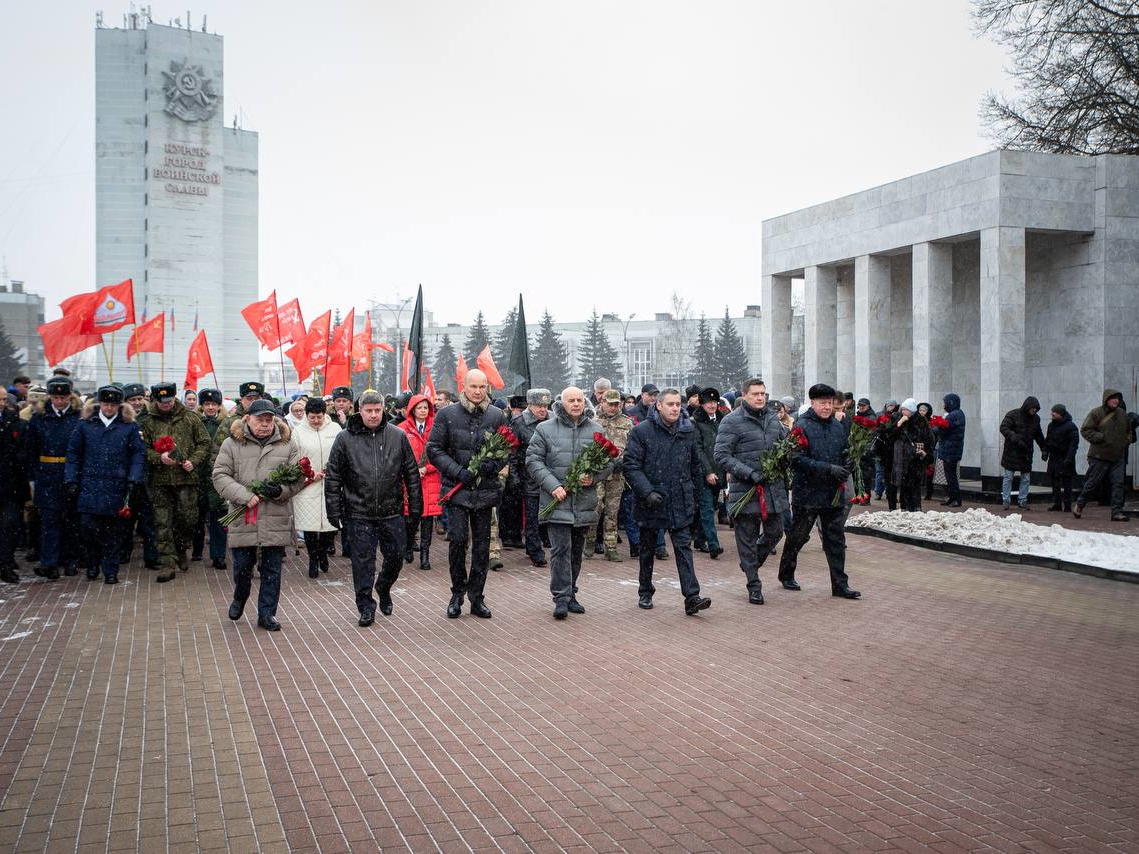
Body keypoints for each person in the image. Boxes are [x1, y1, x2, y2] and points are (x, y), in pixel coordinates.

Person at [325, 391, 422, 625]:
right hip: (358, 511)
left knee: (397, 556)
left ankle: (384, 585)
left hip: (392, 510)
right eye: (368, 411)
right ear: (360, 410)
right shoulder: (345, 438)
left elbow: (411, 473)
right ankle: (365, 605)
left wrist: (416, 506)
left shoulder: (397, 436)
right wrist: (333, 509)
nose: (373, 415)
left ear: (383, 409)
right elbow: (334, 477)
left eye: (377, 410)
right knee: (362, 562)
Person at [213, 399, 305, 631]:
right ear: (247, 419)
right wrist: (244, 496)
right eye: (259, 420)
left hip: (275, 515)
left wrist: (281, 490)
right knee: (243, 568)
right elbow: (220, 475)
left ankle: (267, 615)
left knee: (272, 569)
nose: (264, 425)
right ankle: (240, 596)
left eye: (268, 420)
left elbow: (297, 478)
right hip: (244, 515)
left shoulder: (287, 445)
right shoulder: (231, 444)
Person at [622, 388, 712, 616]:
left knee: (683, 547)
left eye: (678, 404)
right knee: (648, 549)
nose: (675, 408)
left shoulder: (686, 430)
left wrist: (695, 495)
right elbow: (631, 465)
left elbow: (694, 465)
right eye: (670, 404)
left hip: (680, 498)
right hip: (651, 500)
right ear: (659, 405)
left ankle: (692, 597)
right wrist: (647, 492)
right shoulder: (642, 431)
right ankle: (645, 591)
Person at [426, 369, 507, 619]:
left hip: (484, 492)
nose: (478, 391)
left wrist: (492, 466)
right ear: (464, 387)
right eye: (474, 387)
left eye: (482, 387)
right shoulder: (447, 414)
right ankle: (457, 593)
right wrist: (457, 471)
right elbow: (434, 449)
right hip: (457, 491)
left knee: (482, 547)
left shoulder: (496, 415)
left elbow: (506, 448)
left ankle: (477, 596)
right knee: (458, 541)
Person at [526, 386, 612, 619]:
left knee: (576, 551)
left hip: (583, 501)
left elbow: (607, 462)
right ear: (561, 403)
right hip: (557, 500)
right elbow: (533, 460)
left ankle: (572, 592)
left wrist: (593, 477)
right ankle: (561, 597)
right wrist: (553, 485)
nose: (576, 404)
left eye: (579, 400)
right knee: (560, 549)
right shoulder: (545, 429)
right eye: (571, 400)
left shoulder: (596, 429)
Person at [777, 383, 860, 599]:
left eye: (830, 403)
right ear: (813, 403)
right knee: (798, 536)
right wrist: (828, 469)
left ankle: (840, 585)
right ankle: (786, 573)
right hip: (808, 494)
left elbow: (844, 451)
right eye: (822, 403)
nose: (827, 407)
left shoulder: (837, 426)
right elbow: (796, 460)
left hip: (833, 494)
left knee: (835, 540)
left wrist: (848, 462)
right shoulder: (801, 427)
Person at [714, 378, 789, 604]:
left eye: (763, 394)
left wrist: (786, 459)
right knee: (746, 538)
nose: (760, 398)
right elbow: (721, 455)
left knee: (776, 531)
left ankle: (751, 563)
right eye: (755, 394)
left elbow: (785, 447)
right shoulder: (731, 421)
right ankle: (754, 585)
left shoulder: (774, 421)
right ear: (744, 395)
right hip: (745, 490)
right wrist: (748, 472)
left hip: (772, 489)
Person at [64, 386, 145, 583]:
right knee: (89, 529)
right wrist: (71, 479)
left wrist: (134, 477)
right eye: (106, 404)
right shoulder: (85, 425)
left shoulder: (128, 426)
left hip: (116, 487)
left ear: (119, 406)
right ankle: (92, 564)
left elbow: (137, 454)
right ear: (100, 403)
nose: (109, 408)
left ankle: (111, 570)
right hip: (90, 485)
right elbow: (73, 454)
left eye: (113, 405)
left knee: (114, 532)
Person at [141, 382, 211, 583]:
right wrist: (158, 457)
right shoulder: (148, 422)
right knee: (162, 522)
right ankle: (167, 564)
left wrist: (194, 461)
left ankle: (180, 547)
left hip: (186, 478)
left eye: (169, 401)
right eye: (162, 402)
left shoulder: (190, 418)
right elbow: (142, 450)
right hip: (160, 480)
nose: (166, 405)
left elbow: (205, 443)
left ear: (174, 398)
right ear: (155, 400)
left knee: (188, 519)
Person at [25, 377, 83, 579]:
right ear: (50, 397)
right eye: (56, 397)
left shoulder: (78, 418)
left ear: (70, 396)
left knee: (71, 520)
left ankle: (70, 560)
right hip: (47, 473)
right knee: (49, 520)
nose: (59, 401)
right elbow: (30, 450)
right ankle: (49, 562)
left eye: (63, 397)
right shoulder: (39, 418)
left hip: (70, 473)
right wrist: (33, 477)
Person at [291, 397, 342, 577]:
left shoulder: (335, 429)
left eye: (319, 417)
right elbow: (294, 458)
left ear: (324, 414)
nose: (316, 421)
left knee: (331, 523)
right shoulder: (297, 432)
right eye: (312, 417)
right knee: (310, 525)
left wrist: (333, 470)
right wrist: (310, 473)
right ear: (306, 415)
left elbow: (341, 453)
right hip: (308, 484)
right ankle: (313, 558)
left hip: (331, 483)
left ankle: (323, 553)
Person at [1074, 389, 1136, 521]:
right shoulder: (1096, 413)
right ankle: (1080, 504)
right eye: (1113, 398)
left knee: (1118, 483)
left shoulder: (1122, 414)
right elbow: (1085, 430)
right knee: (1093, 483)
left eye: (1118, 399)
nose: (1116, 401)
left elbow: (1129, 431)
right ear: (1106, 399)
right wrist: (1100, 437)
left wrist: (1126, 441)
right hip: (1099, 455)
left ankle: (1116, 512)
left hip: (1118, 456)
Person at [398, 393, 441, 570]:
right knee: (411, 518)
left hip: (430, 480)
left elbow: (441, 454)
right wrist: (411, 470)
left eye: (425, 408)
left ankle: (425, 555)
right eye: (419, 408)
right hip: (410, 480)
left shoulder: (437, 428)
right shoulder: (402, 429)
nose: (422, 411)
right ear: (412, 410)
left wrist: (426, 468)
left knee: (428, 521)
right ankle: (408, 545)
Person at [510, 388, 552, 568]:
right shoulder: (519, 423)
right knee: (532, 518)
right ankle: (536, 551)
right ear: (530, 405)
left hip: (550, 478)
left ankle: (534, 546)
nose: (543, 409)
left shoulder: (553, 420)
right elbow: (511, 453)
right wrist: (514, 478)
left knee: (548, 516)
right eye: (538, 405)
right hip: (528, 477)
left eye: (545, 405)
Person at [593, 389, 633, 562]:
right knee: (595, 509)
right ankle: (590, 541)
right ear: (602, 403)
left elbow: (632, 446)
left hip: (617, 474)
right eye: (610, 404)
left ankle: (611, 546)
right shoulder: (592, 421)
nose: (613, 407)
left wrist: (622, 461)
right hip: (596, 473)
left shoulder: (627, 422)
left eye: (616, 404)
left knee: (612, 511)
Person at [194, 389, 228, 569]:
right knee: (196, 516)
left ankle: (218, 555)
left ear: (218, 406)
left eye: (213, 404)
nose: (210, 407)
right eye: (207, 404)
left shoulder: (225, 424)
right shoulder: (195, 422)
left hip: (217, 476)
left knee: (218, 518)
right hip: (197, 475)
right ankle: (196, 550)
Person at [0, 387, 29, 583]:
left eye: (4, 399)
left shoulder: (13, 420)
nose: (3, 403)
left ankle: (6, 564)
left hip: (11, 484)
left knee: (10, 526)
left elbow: (23, 451)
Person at [692, 387, 725, 558]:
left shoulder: (722, 420)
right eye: (708, 402)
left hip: (720, 470)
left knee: (711, 507)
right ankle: (713, 545)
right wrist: (708, 472)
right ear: (702, 404)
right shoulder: (696, 421)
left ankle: (699, 538)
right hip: (704, 472)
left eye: (714, 402)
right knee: (706, 507)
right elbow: (698, 449)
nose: (712, 405)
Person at [885, 399, 934, 512]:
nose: (902, 411)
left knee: (914, 486)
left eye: (905, 410)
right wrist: (899, 423)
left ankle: (915, 509)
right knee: (903, 486)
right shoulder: (899, 419)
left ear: (911, 410)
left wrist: (925, 452)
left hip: (915, 459)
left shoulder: (921, 421)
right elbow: (890, 436)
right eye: (902, 409)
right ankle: (904, 508)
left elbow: (929, 439)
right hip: (900, 459)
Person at [999, 396, 1045, 511]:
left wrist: (1044, 448)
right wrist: (1014, 437)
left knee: (1025, 478)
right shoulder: (1013, 415)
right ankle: (1006, 500)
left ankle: (1022, 500)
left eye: (1036, 408)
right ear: (1027, 406)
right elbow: (1003, 427)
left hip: (1026, 452)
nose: (1034, 410)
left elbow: (1038, 435)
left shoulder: (1036, 419)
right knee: (1008, 476)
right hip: (1012, 451)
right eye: (1033, 408)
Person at [1043, 403, 1079, 513]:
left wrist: (1069, 458)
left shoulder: (1071, 426)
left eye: (1055, 412)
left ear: (1061, 414)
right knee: (1055, 482)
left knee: (1067, 482)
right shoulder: (1051, 425)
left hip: (1065, 457)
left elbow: (1074, 444)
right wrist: (1045, 452)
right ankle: (1057, 504)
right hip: (1054, 457)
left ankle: (1067, 505)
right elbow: (1048, 440)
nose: (1052, 414)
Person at [934, 393, 966, 507]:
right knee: (950, 476)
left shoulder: (953, 415)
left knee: (951, 476)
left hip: (950, 450)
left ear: (951, 403)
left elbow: (943, 429)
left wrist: (936, 427)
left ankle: (956, 499)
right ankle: (952, 497)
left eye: (945, 403)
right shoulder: (957, 414)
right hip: (951, 449)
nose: (944, 405)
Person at [874, 399, 899, 500]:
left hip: (893, 449)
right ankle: (878, 492)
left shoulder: (898, 416)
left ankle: (891, 493)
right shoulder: (880, 415)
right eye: (890, 405)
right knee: (879, 471)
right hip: (881, 448)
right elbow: (876, 430)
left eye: (893, 405)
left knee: (893, 473)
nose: (891, 407)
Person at [916, 402, 938, 500]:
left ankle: (929, 493)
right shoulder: (915, 420)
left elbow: (934, 436)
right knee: (919, 471)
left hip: (928, 449)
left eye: (924, 410)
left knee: (929, 471)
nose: (922, 412)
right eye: (920, 410)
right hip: (918, 447)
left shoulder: (931, 422)